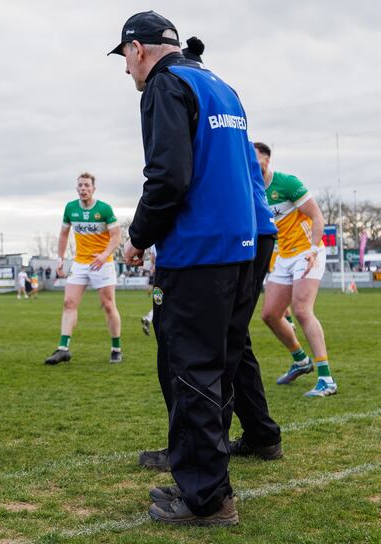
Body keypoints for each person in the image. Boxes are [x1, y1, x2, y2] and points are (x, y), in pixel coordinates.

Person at [112, 11, 256, 525]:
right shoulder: (218, 82)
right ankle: (206, 482)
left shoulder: (164, 84)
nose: (127, 71)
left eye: (125, 59)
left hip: (198, 252)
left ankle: (208, 499)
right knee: (216, 371)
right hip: (241, 248)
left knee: (191, 372)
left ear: (137, 49)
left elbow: (168, 176)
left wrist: (136, 237)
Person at [139, 141, 283, 474]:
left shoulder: (185, 107)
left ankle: (190, 447)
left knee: (181, 338)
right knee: (233, 339)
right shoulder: (227, 121)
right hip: (252, 230)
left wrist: (143, 233)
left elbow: (173, 180)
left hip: (220, 235)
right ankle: (261, 433)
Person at [254, 142, 338, 398]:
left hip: (307, 252)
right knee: (270, 314)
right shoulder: (252, 190)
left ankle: (327, 379)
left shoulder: (286, 182)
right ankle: (301, 360)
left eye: (254, 158)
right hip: (284, 255)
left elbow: (317, 216)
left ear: (266, 160)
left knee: (302, 310)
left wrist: (313, 249)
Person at [44, 172, 122, 365]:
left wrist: (104, 255)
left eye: (87, 185)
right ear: (76, 188)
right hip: (80, 263)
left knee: (108, 305)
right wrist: (60, 259)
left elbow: (116, 236)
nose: (83, 189)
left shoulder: (104, 209)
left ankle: (116, 348)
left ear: (93, 189)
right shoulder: (70, 208)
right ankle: (63, 349)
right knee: (69, 303)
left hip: (102, 263)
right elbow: (63, 235)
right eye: (80, 185)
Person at [141, 246, 157, 336]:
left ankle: (148, 318)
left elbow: (152, 258)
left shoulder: (154, 243)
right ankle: (148, 318)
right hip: (169, 272)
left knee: (160, 302)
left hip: (159, 273)